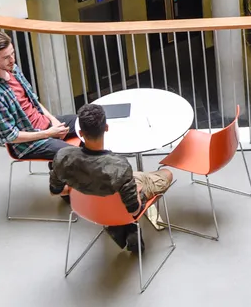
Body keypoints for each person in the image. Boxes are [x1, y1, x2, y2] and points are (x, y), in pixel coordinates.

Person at [49, 103, 175, 253]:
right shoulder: (119, 166)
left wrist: (77, 188)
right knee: (167, 173)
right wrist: (137, 191)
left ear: (80, 133)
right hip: (117, 202)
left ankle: (122, 228)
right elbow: (134, 211)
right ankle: (126, 227)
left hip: (88, 208)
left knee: (122, 184)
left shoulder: (63, 157)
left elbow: (55, 191)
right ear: (106, 128)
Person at [0, 31, 78, 169]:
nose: (12, 59)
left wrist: (52, 121)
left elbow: (33, 100)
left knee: (89, 123)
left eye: (12, 53)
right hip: (29, 144)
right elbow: (11, 136)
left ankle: (60, 169)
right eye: (6, 57)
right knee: (76, 155)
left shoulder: (13, 69)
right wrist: (49, 133)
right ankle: (58, 184)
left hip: (45, 125)